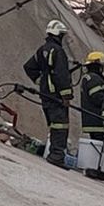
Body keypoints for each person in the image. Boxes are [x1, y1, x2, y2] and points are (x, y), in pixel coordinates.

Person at [23, 20, 73, 168]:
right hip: (56, 96)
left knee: (54, 125)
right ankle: (56, 156)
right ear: (59, 34)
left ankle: (53, 153)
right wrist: (66, 96)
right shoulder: (57, 51)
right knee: (60, 126)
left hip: (45, 95)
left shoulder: (42, 50)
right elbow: (61, 75)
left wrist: (41, 82)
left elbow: (29, 67)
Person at [79, 51, 104, 141]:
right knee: (99, 145)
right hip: (97, 120)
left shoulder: (91, 77)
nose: (103, 68)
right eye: (101, 65)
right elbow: (97, 98)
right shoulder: (94, 78)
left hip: (93, 120)